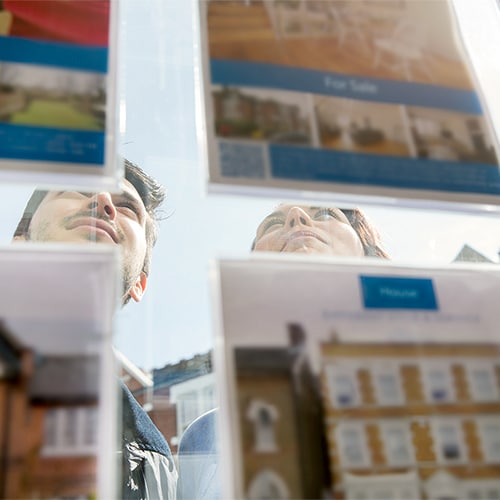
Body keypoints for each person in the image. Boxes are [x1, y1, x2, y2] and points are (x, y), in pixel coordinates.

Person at [176, 204, 389, 500]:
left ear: (368, 254)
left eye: (326, 214)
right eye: (273, 225)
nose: (296, 217)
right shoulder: (206, 436)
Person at [13, 159, 177, 499]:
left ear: (140, 284)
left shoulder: (156, 465)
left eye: (128, 207)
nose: (103, 200)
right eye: (77, 189)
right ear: (20, 241)